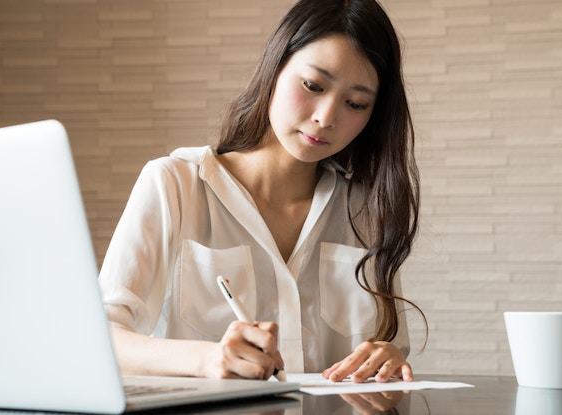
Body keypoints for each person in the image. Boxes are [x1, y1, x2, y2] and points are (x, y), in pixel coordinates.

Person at [98, 0, 426, 384]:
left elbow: (389, 346)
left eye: (356, 103)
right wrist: (208, 360)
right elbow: (101, 337)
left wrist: (385, 355)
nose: (326, 117)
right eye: (313, 86)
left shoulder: (366, 211)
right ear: (275, 68)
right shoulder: (175, 184)